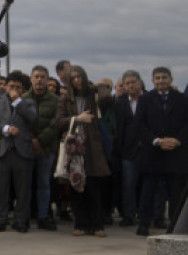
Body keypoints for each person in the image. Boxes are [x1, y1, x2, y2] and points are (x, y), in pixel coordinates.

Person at [54, 65, 111, 237]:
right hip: (74, 146)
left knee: (93, 186)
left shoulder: (92, 95)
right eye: (74, 78)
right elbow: (59, 122)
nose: (77, 80)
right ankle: (80, 224)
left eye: (80, 77)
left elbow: (107, 100)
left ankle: (97, 225)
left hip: (92, 146)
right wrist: (78, 119)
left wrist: (99, 86)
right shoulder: (65, 99)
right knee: (76, 186)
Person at [135, 67, 188, 236]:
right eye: (157, 78)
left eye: (164, 77)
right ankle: (144, 223)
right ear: (152, 81)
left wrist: (177, 140)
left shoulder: (182, 99)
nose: (160, 80)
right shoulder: (145, 99)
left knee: (175, 193)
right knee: (148, 191)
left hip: (176, 152)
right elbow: (140, 124)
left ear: (171, 79)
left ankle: (175, 226)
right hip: (153, 152)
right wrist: (157, 141)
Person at [0, 71, 38, 233]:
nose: (14, 89)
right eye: (11, 86)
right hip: (2, 151)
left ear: (23, 89)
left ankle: (21, 220)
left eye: (17, 87)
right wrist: (6, 129)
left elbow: (33, 119)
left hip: (22, 152)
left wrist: (17, 101)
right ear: (5, 87)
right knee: (1, 189)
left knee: (23, 190)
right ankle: (0, 219)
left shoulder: (28, 103)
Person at [24, 65, 59, 230]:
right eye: (36, 76)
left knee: (44, 183)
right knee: (27, 184)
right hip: (27, 148)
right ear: (31, 79)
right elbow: (20, 122)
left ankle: (43, 216)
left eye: (42, 77)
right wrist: (32, 141)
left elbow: (55, 124)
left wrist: (40, 142)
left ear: (47, 80)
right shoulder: (23, 98)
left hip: (46, 149)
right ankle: (25, 216)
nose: (39, 80)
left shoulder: (55, 100)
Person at [113, 70, 143, 227]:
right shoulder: (120, 103)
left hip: (148, 150)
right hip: (128, 152)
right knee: (128, 185)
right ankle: (129, 215)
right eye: (127, 83)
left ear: (140, 82)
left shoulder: (149, 99)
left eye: (133, 82)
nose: (131, 85)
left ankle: (149, 215)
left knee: (149, 184)